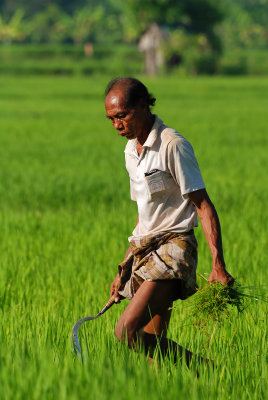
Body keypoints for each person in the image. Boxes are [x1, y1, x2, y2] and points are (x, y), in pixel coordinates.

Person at [105, 77, 234, 365]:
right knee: (155, 354)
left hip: (175, 248)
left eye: (121, 116)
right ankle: (192, 384)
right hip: (147, 249)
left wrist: (218, 265)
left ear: (143, 106)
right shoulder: (130, 151)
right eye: (111, 119)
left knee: (126, 331)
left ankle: (205, 367)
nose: (116, 125)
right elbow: (144, 215)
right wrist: (124, 268)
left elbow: (203, 205)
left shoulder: (172, 145)